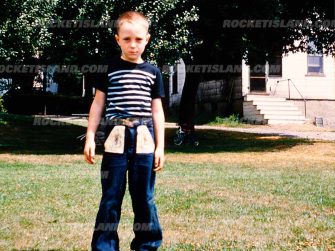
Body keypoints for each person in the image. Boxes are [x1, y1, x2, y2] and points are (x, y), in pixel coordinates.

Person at [84, 11, 165, 251]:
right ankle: (105, 246)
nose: (133, 44)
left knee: (144, 198)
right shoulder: (108, 69)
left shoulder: (153, 72)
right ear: (117, 39)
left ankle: (147, 244)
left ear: (147, 39)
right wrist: (90, 136)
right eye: (127, 39)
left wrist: (161, 146)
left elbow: (157, 112)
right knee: (111, 197)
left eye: (138, 39)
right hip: (115, 139)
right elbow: (98, 104)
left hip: (144, 140)